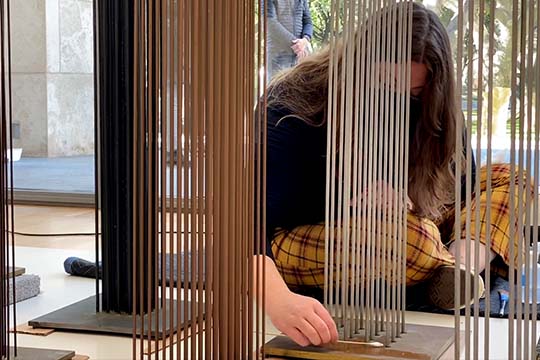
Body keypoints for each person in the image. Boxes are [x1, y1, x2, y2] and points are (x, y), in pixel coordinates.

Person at [257, 2, 530, 348]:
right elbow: (248, 221)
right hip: (315, 232)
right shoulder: (293, 105)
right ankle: (443, 263)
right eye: (385, 83)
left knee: (513, 179)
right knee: (410, 241)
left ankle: (455, 269)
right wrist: (277, 298)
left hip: (409, 220)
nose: (399, 104)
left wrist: (407, 197)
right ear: (358, 63)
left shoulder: (433, 104)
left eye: (415, 94)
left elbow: (464, 187)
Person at [266, 0, 314, 79]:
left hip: (299, 58)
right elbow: (269, 22)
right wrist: (297, 46)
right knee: (277, 90)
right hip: (278, 57)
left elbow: (308, 22)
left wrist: (305, 40)